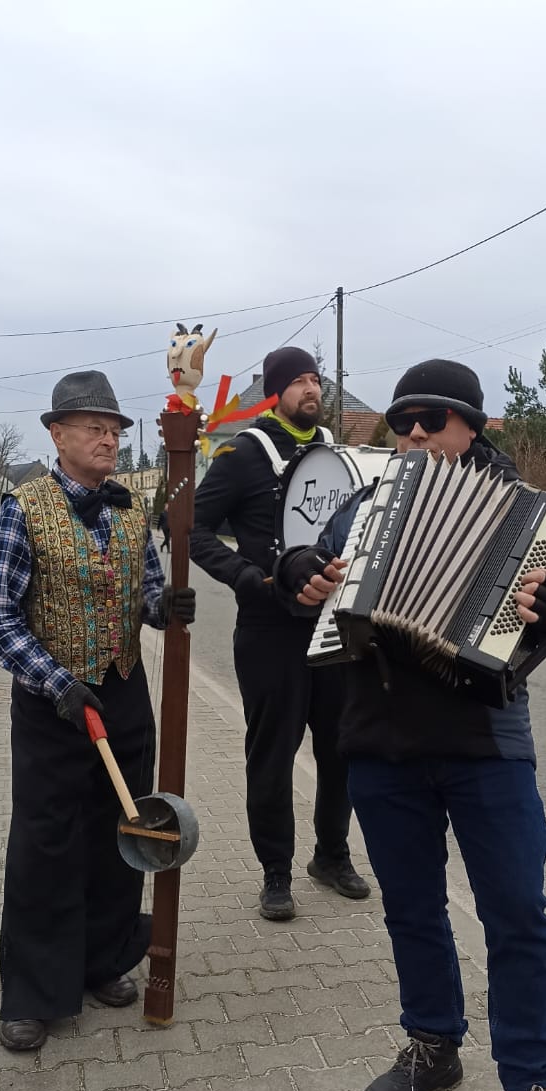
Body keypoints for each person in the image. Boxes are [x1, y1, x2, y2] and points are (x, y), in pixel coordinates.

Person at [274, 359, 546, 1091]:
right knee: (412, 909)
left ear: (472, 428)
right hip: (379, 742)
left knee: (515, 913)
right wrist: (297, 574)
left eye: (433, 420)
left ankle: (531, 1085)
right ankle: (432, 1044)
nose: (414, 433)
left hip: (486, 743)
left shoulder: (530, 515)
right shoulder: (363, 504)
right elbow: (308, 575)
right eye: (401, 422)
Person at [0, 370, 195, 1052]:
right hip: (53, 705)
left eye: (114, 430)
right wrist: (56, 682)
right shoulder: (24, 508)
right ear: (58, 435)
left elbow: (146, 594)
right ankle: (34, 991)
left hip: (122, 694)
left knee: (119, 831)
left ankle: (104, 959)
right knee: (46, 842)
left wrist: (166, 607)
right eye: (94, 428)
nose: (107, 439)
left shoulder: (130, 511)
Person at [190, 344, 369, 921]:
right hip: (269, 628)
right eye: (298, 382)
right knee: (272, 756)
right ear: (275, 393)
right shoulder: (242, 452)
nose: (311, 389)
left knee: (341, 748)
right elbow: (192, 528)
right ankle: (275, 872)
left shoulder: (334, 454)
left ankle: (331, 856)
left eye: (315, 380)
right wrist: (246, 577)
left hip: (332, 621)